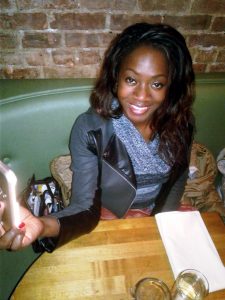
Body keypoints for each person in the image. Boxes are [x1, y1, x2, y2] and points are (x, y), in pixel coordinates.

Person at [0, 22, 195, 252]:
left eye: (157, 84)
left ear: (171, 87)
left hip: (156, 215)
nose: (142, 96)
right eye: (131, 80)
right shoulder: (91, 130)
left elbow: (177, 179)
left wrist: (163, 224)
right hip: (107, 216)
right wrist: (41, 226)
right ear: (116, 77)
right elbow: (84, 206)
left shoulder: (181, 123)